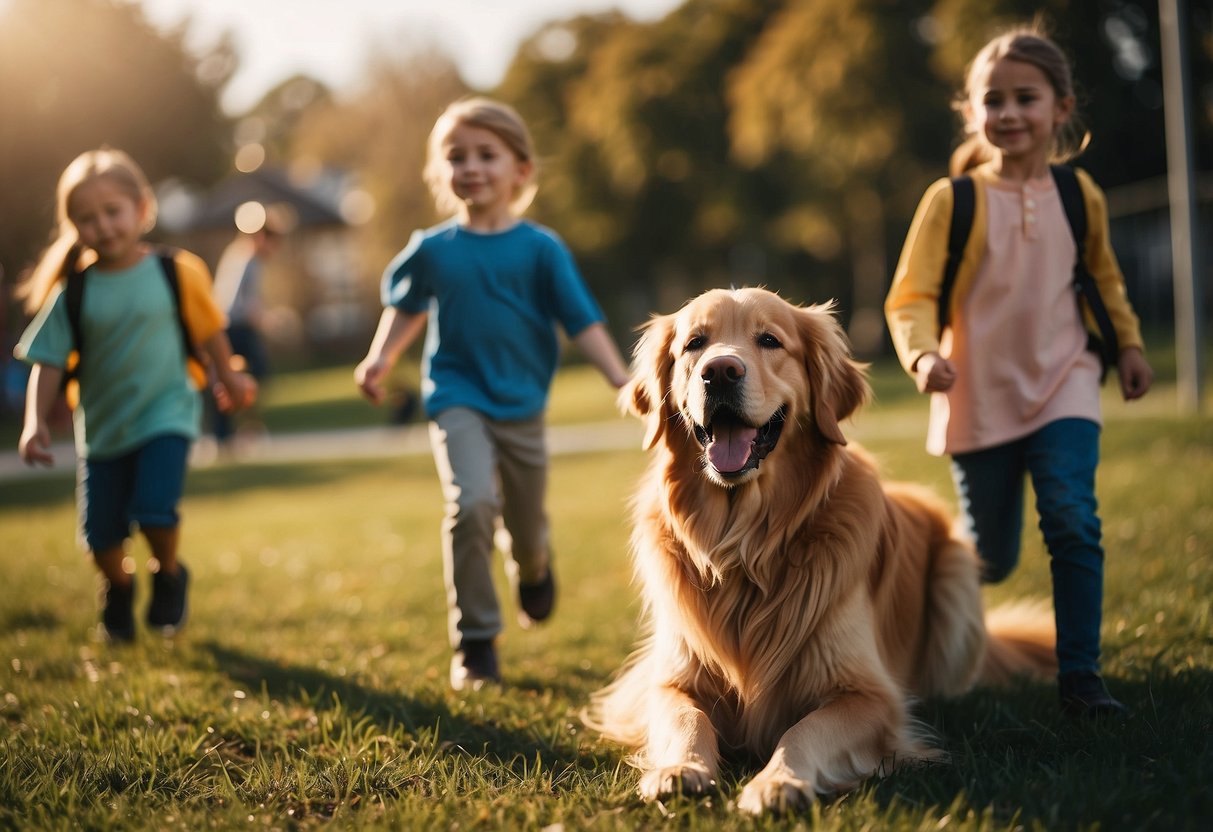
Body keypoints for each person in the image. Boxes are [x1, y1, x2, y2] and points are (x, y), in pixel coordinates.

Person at [884, 28, 1153, 718]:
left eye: (1024, 98)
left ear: (1060, 109)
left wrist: (1125, 345)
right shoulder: (952, 200)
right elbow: (908, 295)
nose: (1007, 113)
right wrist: (920, 354)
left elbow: (1102, 277)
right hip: (975, 394)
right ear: (970, 110)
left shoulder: (1078, 193)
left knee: (1071, 517)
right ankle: (921, 644)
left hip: (1064, 379)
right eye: (992, 99)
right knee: (988, 561)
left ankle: (1080, 679)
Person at [354, 97, 630, 691]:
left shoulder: (541, 249)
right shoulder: (433, 249)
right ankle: (476, 642)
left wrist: (621, 378)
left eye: (486, 154)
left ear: (521, 170)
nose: (470, 167)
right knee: (472, 502)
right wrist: (381, 358)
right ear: (440, 172)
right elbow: (404, 309)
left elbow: (581, 319)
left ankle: (533, 567)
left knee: (526, 526)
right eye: (456, 157)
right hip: (456, 397)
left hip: (523, 406)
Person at [14, 148, 257, 642]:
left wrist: (230, 377)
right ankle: (119, 586)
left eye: (112, 211)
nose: (103, 226)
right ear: (73, 227)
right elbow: (48, 362)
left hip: (167, 414)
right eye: (87, 218)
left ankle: (167, 573)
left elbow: (210, 332)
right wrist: (34, 422)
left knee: (154, 510)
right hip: (102, 430)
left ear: (142, 209)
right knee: (101, 538)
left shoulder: (176, 271)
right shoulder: (74, 292)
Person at [208, 205, 286, 449]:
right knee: (244, 375)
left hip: (232, 327)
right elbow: (236, 303)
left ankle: (235, 430)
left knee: (236, 377)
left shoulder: (243, 257)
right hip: (233, 328)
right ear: (261, 237)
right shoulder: (246, 260)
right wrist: (267, 319)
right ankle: (234, 431)